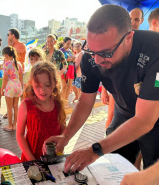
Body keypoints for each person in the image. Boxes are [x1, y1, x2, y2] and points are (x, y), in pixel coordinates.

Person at [44, 5, 159, 173]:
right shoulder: (91, 56)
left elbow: (145, 120)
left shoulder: (155, 51)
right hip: (124, 111)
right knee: (116, 166)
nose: (97, 60)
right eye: (92, 51)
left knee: (153, 173)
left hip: (155, 118)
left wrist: (94, 150)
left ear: (128, 38)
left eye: (106, 52)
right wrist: (66, 136)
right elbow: (85, 101)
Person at [16, 61, 66, 162]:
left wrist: (61, 147)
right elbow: (20, 135)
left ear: (55, 84)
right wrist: (32, 161)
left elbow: (63, 127)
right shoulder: (26, 105)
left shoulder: (58, 103)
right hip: (32, 157)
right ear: (31, 84)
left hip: (53, 157)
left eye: (47, 85)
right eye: (37, 86)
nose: (42, 91)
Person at [1, 46, 23, 131]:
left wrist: (2, 89)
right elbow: (21, 78)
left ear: (6, 55)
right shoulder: (19, 64)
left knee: (9, 107)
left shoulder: (6, 64)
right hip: (17, 86)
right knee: (15, 106)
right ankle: (14, 125)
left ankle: (10, 126)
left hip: (10, 86)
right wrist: (21, 88)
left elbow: (5, 79)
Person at [60, 37, 76, 108]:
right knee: (64, 86)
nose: (69, 45)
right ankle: (62, 102)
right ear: (63, 43)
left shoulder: (69, 50)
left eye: (70, 44)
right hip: (64, 69)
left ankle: (66, 102)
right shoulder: (61, 51)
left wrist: (72, 59)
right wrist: (69, 59)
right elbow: (61, 60)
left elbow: (73, 59)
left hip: (71, 68)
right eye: (68, 44)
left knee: (69, 86)